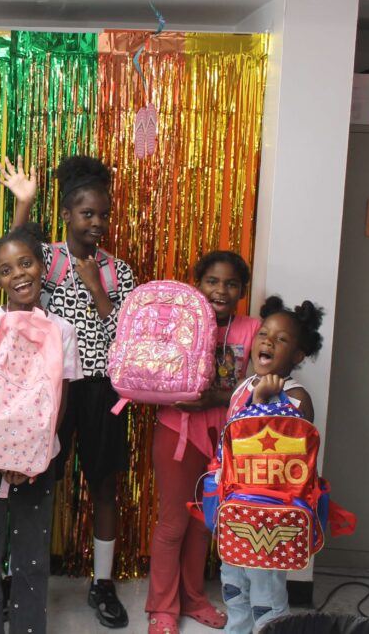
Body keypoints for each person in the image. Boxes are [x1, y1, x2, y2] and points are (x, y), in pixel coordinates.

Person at [1, 154, 136, 627]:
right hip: (50, 388)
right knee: (37, 481)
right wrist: (23, 204)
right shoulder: (47, 259)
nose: (96, 222)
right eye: (87, 213)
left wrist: (98, 288)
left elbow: (125, 339)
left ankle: (102, 583)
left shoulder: (119, 272)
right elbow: (12, 267)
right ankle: (21, 576)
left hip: (102, 389)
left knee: (104, 486)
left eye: (103, 214)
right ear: (65, 214)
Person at [0, 224, 82, 634]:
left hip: (38, 459)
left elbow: (60, 401)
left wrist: (33, 456)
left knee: (31, 559)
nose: (19, 274)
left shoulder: (62, 330)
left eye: (25, 262)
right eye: (6, 269)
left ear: (42, 266)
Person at [145, 251, 261, 634]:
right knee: (174, 522)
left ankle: (194, 599)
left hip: (226, 438)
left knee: (202, 524)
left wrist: (217, 398)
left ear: (242, 290)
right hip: (178, 433)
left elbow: (259, 389)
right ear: (197, 284)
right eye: (212, 281)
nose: (221, 290)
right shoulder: (178, 322)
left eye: (231, 283)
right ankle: (162, 608)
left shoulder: (252, 329)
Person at [221, 295, 323, 634]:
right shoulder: (242, 386)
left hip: (271, 515)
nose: (267, 341)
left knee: (266, 593)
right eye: (264, 333)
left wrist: (263, 401)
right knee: (234, 585)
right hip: (235, 505)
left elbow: (281, 452)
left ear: (297, 355)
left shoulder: (296, 397)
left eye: (281, 339)